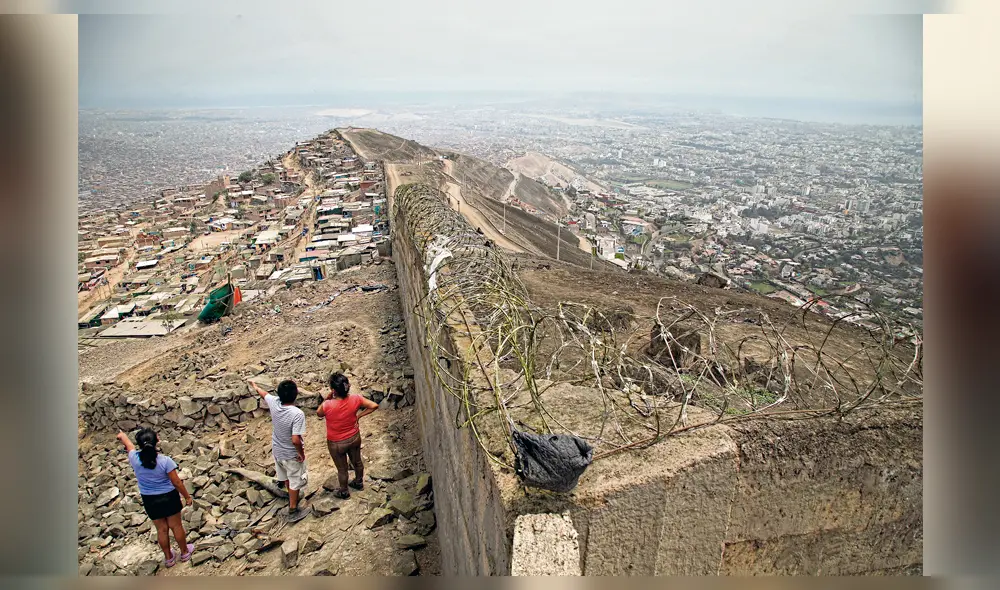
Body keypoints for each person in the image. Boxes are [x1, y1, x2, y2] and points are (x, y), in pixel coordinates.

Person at [116, 428, 195, 567]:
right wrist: (187, 497)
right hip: (169, 497)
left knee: (161, 529)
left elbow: (129, 446)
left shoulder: (134, 459)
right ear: (157, 440)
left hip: (150, 499)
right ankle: (184, 552)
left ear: (140, 444)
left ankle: (169, 558)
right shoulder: (165, 461)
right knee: (176, 526)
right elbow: (176, 482)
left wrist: (122, 436)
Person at [249, 378, 309, 523]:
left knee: (287, 477)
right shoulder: (297, 414)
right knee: (295, 479)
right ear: (295, 395)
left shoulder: (275, 403)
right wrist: (301, 454)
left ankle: (291, 497)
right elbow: (295, 440)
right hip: (291, 454)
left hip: (277, 450)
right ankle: (293, 508)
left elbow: (264, 394)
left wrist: (255, 386)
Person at [317, 372, 379, 499]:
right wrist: (359, 416)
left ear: (333, 390)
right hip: (354, 437)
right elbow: (374, 405)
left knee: (342, 469)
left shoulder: (327, 405)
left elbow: (319, 413)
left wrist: (327, 398)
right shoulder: (356, 398)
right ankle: (359, 482)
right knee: (357, 462)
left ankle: (344, 491)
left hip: (336, 443)